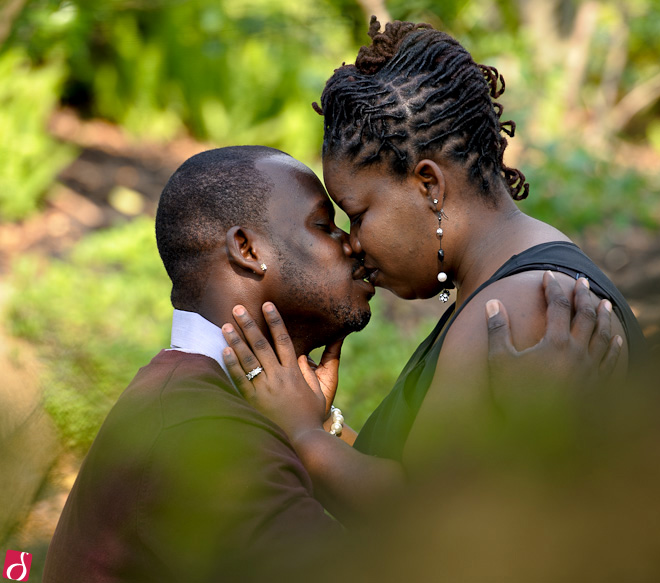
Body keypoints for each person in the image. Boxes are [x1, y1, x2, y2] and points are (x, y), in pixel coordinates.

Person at [44, 145, 615, 581]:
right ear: (247, 250)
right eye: (325, 224)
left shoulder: (198, 399)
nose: (353, 245)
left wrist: (318, 431)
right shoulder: (203, 436)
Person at [220, 18, 644, 525]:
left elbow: (425, 524)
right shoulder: (515, 277)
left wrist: (303, 436)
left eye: (358, 215)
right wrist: (323, 425)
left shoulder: (515, 310)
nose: (352, 243)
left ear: (428, 185)